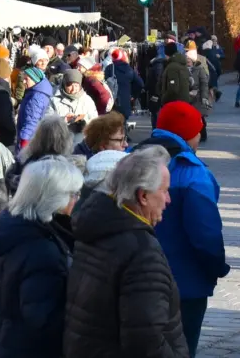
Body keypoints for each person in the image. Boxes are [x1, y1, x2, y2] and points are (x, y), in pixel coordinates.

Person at [64, 146, 190, 358]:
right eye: (164, 190)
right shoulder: (142, 253)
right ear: (143, 196)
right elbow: (146, 340)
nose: (168, 199)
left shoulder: (97, 227)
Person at [142, 101, 230, 355]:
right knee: (181, 348)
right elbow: (205, 234)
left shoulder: (129, 159)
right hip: (185, 284)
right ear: (191, 133)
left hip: (136, 278)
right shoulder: (192, 173)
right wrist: (216, 267)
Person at [0, 156, 83, 358]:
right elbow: (43, 319)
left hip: (4, 345)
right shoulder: (42, 249)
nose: (77, 199)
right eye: (73, 194)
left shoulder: (16, 229)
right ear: (54, 197)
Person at [8, 114, 71, 195]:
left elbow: (13, 181)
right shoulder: (68, 168)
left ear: (38, 136)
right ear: (65, 138)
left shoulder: (27, 159)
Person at [52, 69, 100, 146]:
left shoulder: (87, 100)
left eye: (76, 85)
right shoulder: (54, 100)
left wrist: (84, 122)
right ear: (64, 84)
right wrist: (64, 120)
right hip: (60, 143)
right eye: (70, 85)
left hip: (81, 143)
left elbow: (95, 121)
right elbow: (46, 122)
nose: (74, 89)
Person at [15, 65, 57, 150]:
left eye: (26, 79)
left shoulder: (36, 98)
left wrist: (23, 142)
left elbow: (31, 121)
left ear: (35, 80)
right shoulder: (35, 93)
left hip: (28, 141)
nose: (23, 81)